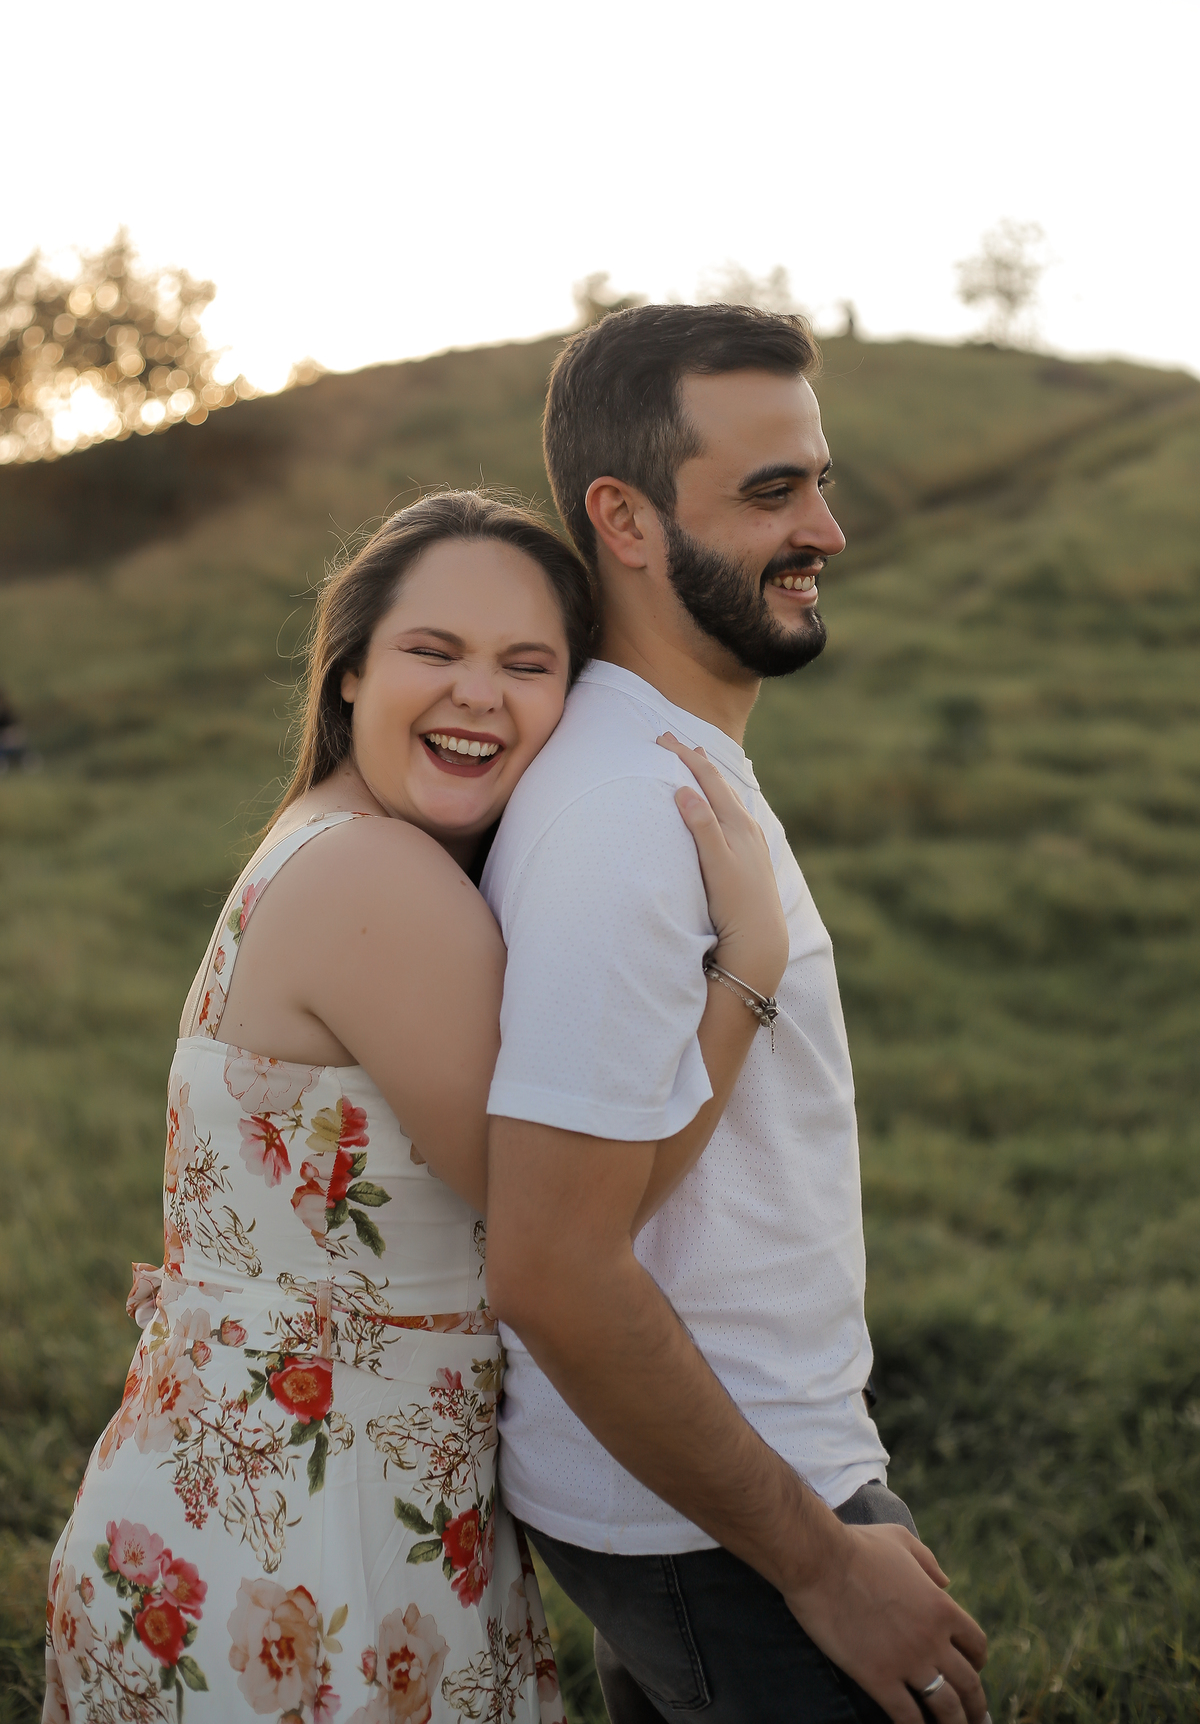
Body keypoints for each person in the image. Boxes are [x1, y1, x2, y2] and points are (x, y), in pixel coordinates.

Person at [42, 490, 789, 1724]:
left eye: (526, 664)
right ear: (347, 677)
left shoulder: (318, 836)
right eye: (433, 653)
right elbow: (574, 1228)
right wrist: (746, 970)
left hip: (233, 1503)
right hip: (304, 1557)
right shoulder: (377, 876)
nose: (478, 695)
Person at [482, 305, 992, 1724]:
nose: (826, 529)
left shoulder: (662, 763)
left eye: (820, 480)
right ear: (625, 520)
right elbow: (553, 1264)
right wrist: (821, 1562)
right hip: (725, 1519)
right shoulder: (624, 815)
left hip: (694, 1490)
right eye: (772, 493)